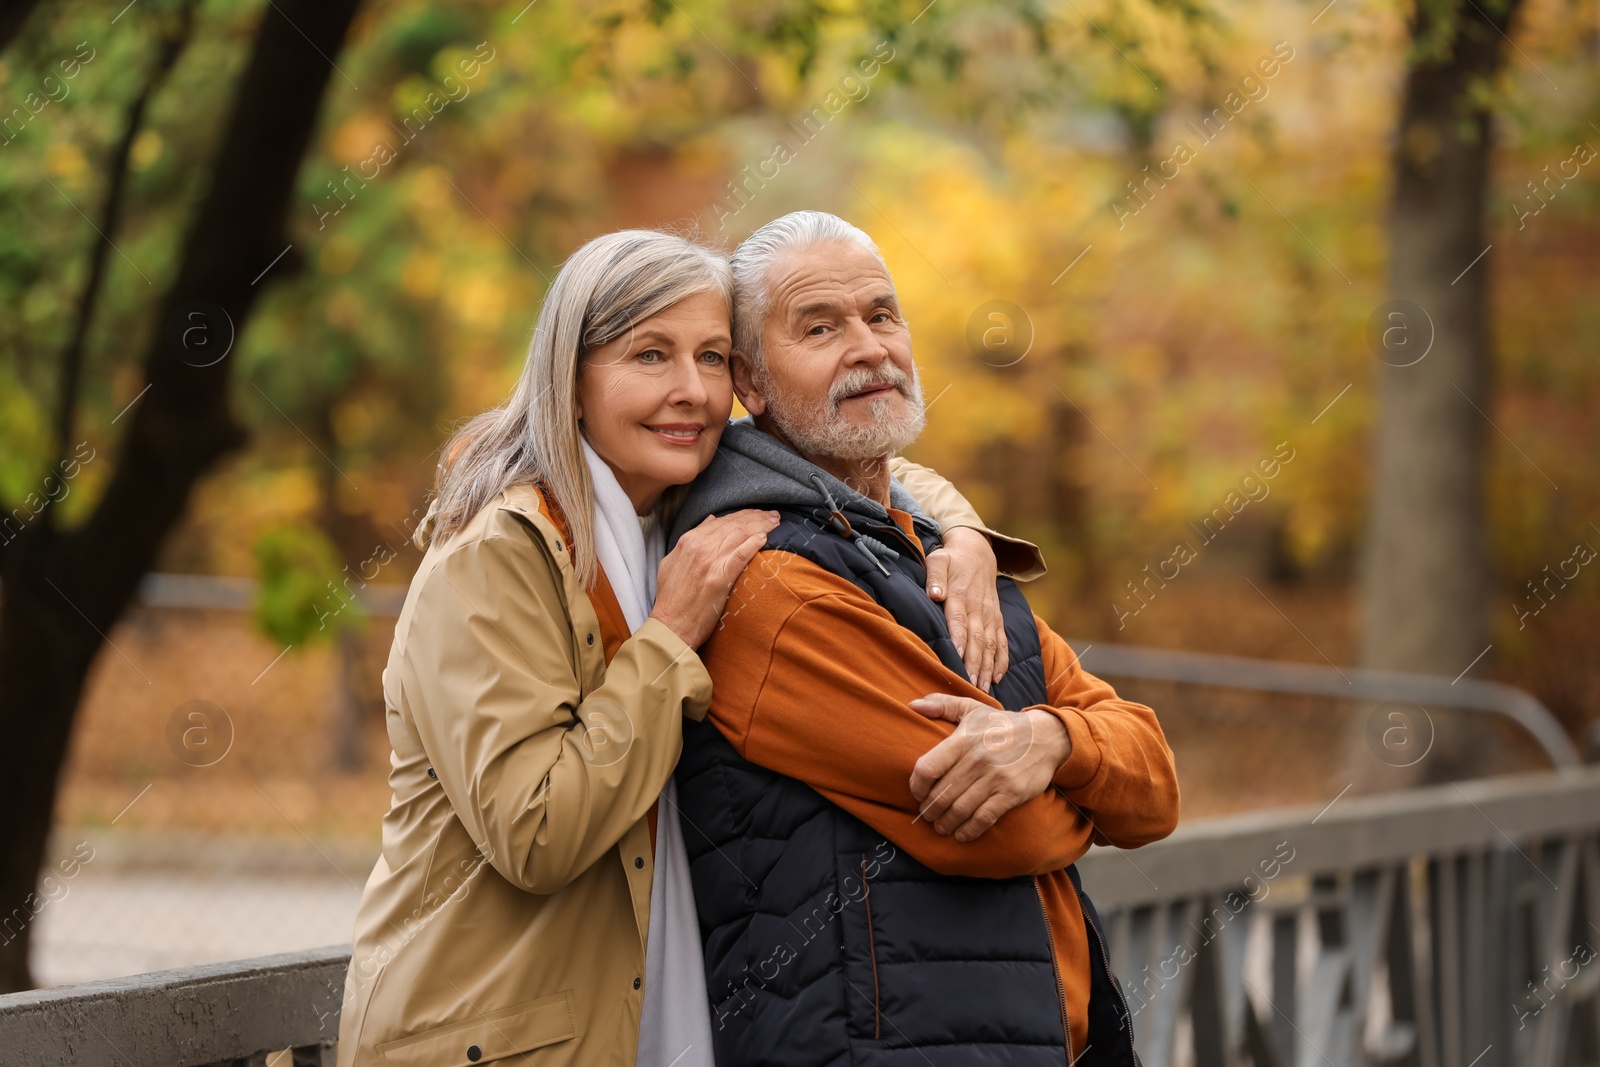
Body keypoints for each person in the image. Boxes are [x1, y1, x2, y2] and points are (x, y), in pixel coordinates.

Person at [334, 228, 1042, 1067]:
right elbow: (536, 833)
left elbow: (882, 467)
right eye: (649, 355)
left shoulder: (674, 510)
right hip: (494, 1040)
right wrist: (669, 636)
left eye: (711, 358)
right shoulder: (501, 555)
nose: (691, 392)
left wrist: (960, 535)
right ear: (572, 376)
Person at [670, 211, 1181, 1067]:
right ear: (750, 384)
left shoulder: (948, 555)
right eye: (820, 326)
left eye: (882, 314)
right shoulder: (765, 580)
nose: (868, 347)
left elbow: (1157, 787)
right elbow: (1006, 831)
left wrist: (1049, 738)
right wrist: (1083, 777)